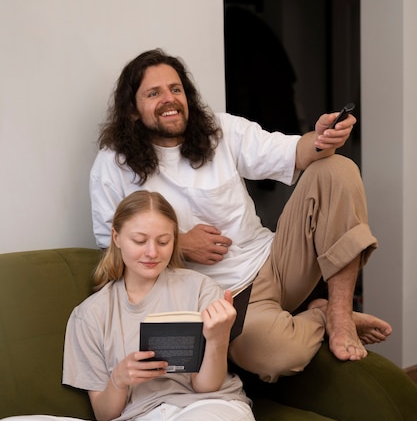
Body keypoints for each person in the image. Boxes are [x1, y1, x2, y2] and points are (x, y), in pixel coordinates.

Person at [89, 48, 393, 383]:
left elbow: (297, 152)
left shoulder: (220, 130)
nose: (169, 99)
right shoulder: (112, 165)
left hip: (274, 262)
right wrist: (180, 245)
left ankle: (339, 313)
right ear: (132, 109)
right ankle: (319, 316)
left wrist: (323, 137)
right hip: (221, 300)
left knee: (336, 168)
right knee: (279, 357)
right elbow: (112, 251)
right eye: (154, 93)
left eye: (176, 89)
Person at [0, 191, 260, 421]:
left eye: (163, 241)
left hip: (210, 413)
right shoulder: (89, 316)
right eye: (140, 240)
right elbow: (105, 416)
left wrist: (216, 339)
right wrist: (120, 379)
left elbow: (207, 386)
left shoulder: (200, 288)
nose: (152, 252)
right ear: (116, 237)